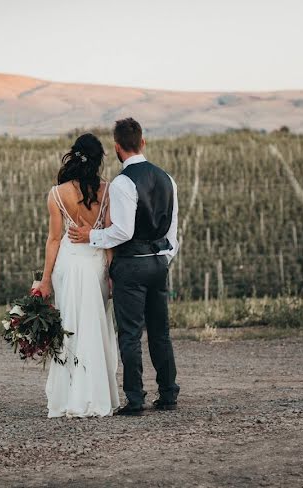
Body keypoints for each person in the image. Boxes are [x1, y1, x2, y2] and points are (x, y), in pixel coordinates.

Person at [68, 118, 180, 416]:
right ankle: (168, 394)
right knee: (160, 332)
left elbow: (123, 231)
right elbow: (172, 230)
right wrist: (165, 258)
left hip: (131, 266)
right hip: (159, 263)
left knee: (129, 334)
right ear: (142, 142)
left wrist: (90, 235)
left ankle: (135, 398)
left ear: (117, 147)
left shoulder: (122, 183)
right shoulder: (167, 178)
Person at [37, 133, 120, 418]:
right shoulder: (107, 191)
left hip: (68, 265)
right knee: (94, 326)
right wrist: (111, 273)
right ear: (98, 161)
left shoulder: (57, 194)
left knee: (70, 325)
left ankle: (69, 396)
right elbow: (108, 239)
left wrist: (46, 280)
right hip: (95, 264)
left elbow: (54, 240)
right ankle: (97, 395)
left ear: (74, 155)